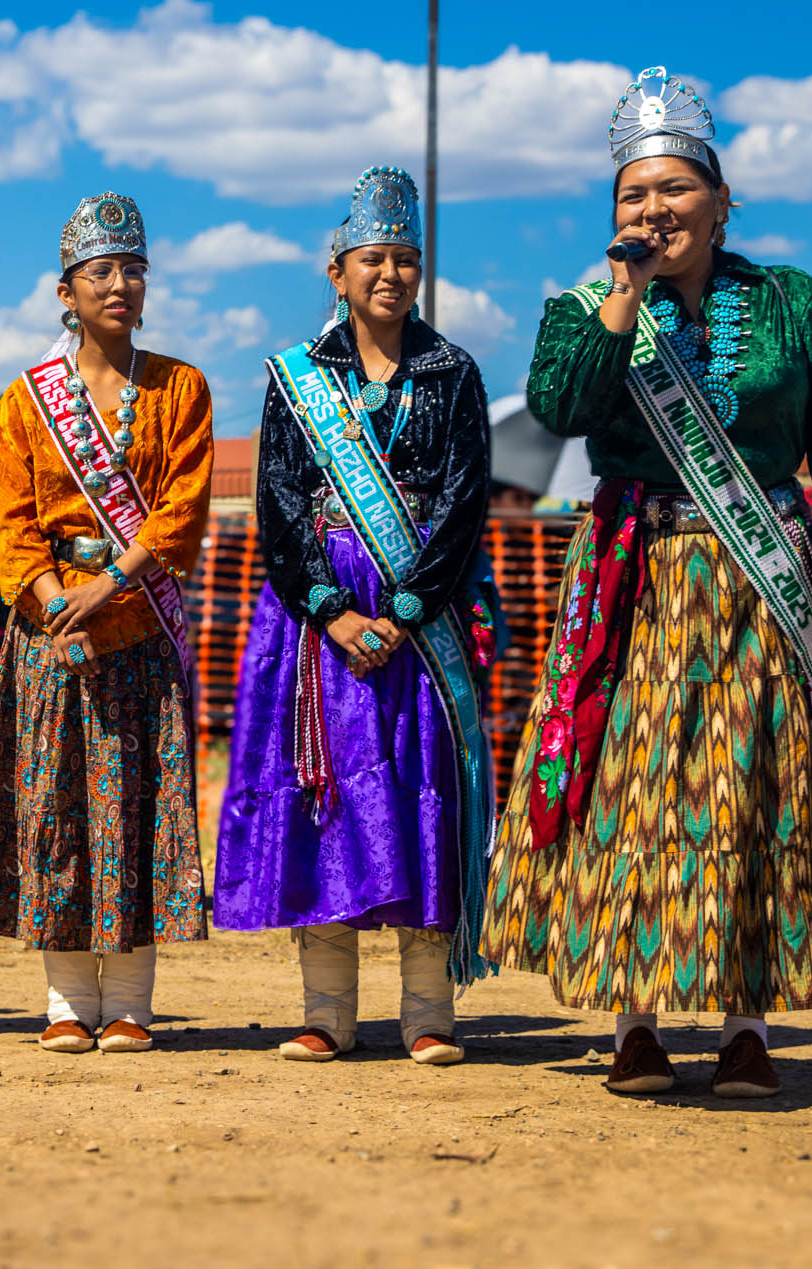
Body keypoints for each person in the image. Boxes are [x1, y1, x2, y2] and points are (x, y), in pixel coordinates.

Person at [482, 68, 812, 1099]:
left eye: (672, 189)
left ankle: (743, 1025)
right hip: (634, 581)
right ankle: (633, 1020)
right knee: (631, 794)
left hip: (757, 587)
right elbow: (558, 407)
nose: (651, 210)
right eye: (632, 195)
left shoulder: (789, 303)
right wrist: (620, 298)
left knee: (745, 790)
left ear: (720, 200)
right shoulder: (586, 309)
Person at [214, 167, 494, 1065]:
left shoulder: (453, 374)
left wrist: (407, 608)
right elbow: (280, 504)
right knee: (323, 797)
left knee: (422, 796)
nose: (391, 274)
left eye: (406, 259)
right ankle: (327, 1011)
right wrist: (333, 612)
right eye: (373, 258)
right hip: (317, 629)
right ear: (337, 271)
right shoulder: (298, 379)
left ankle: (427, 1013)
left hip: (420, 613)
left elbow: (463, 504)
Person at [0, 193, 212, 1054]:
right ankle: (67, 1001)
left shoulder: (182, 389)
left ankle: (132, 1000)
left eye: (134, 270)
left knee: (136, 807)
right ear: (65, 291)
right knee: (57, 806)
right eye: (101, 271)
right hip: (52, 634)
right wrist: (53, 596)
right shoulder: (26, 402)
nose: (121, 285)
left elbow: (180, 511)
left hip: (136, 626)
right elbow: (11, 522)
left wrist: (111, 587)